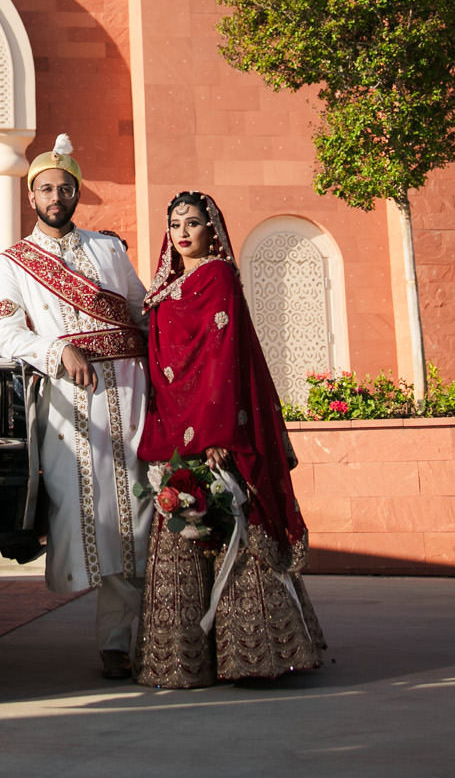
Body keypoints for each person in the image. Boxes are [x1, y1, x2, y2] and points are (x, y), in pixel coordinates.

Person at [136, 190, 326, 688]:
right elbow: (161, 369)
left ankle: (255, 655)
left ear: (211, 230)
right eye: (175, 223)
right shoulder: (163, 292)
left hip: (216, 428)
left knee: (231, 531)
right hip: (174, 429)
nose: (182, 232)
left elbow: (221, 355)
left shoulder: (218, 277)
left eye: (193, 223)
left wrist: (217, 431)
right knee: (182, 537)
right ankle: (183, 661)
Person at [0, 135, 152, 680]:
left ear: (77, 193)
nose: (56, 196)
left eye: (65, 187)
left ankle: (139, 638)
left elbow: (142, 313)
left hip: (132, 392)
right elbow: (5, 332)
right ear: (31, 197)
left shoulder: (110, 250)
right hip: (69, 400)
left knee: (144, 510)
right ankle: (114, 638)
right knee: (98, 518)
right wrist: (57, 349)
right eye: (46, 189)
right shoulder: (11, 262)